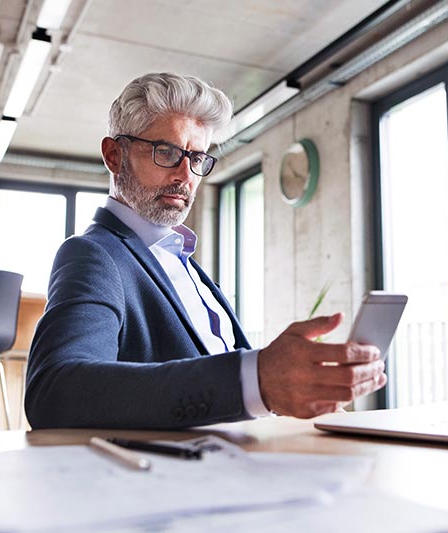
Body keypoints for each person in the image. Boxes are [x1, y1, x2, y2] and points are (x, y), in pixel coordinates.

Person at [25, 72, 386, 429]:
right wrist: (256, 380)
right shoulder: (93, 255)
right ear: (115, 155)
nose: (186, 174)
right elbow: (56, 391)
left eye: (197, 158)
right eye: (166, 152)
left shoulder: (183, 260)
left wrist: (290, 400)